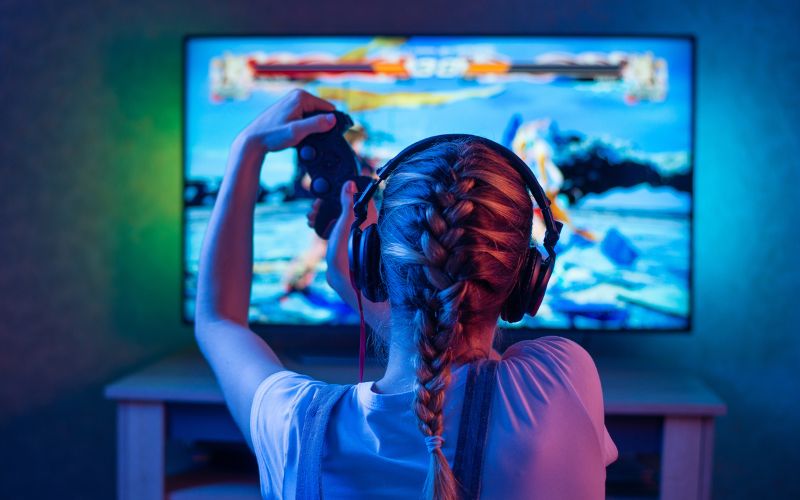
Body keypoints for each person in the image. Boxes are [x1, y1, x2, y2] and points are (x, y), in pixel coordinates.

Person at [195, 89, 618, 500]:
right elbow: (460, 357)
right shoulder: (561, 382)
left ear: (373, 260)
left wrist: (246, 151)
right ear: (528, 277)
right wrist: (373, 296)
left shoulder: (296, 428)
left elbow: (218, 321)